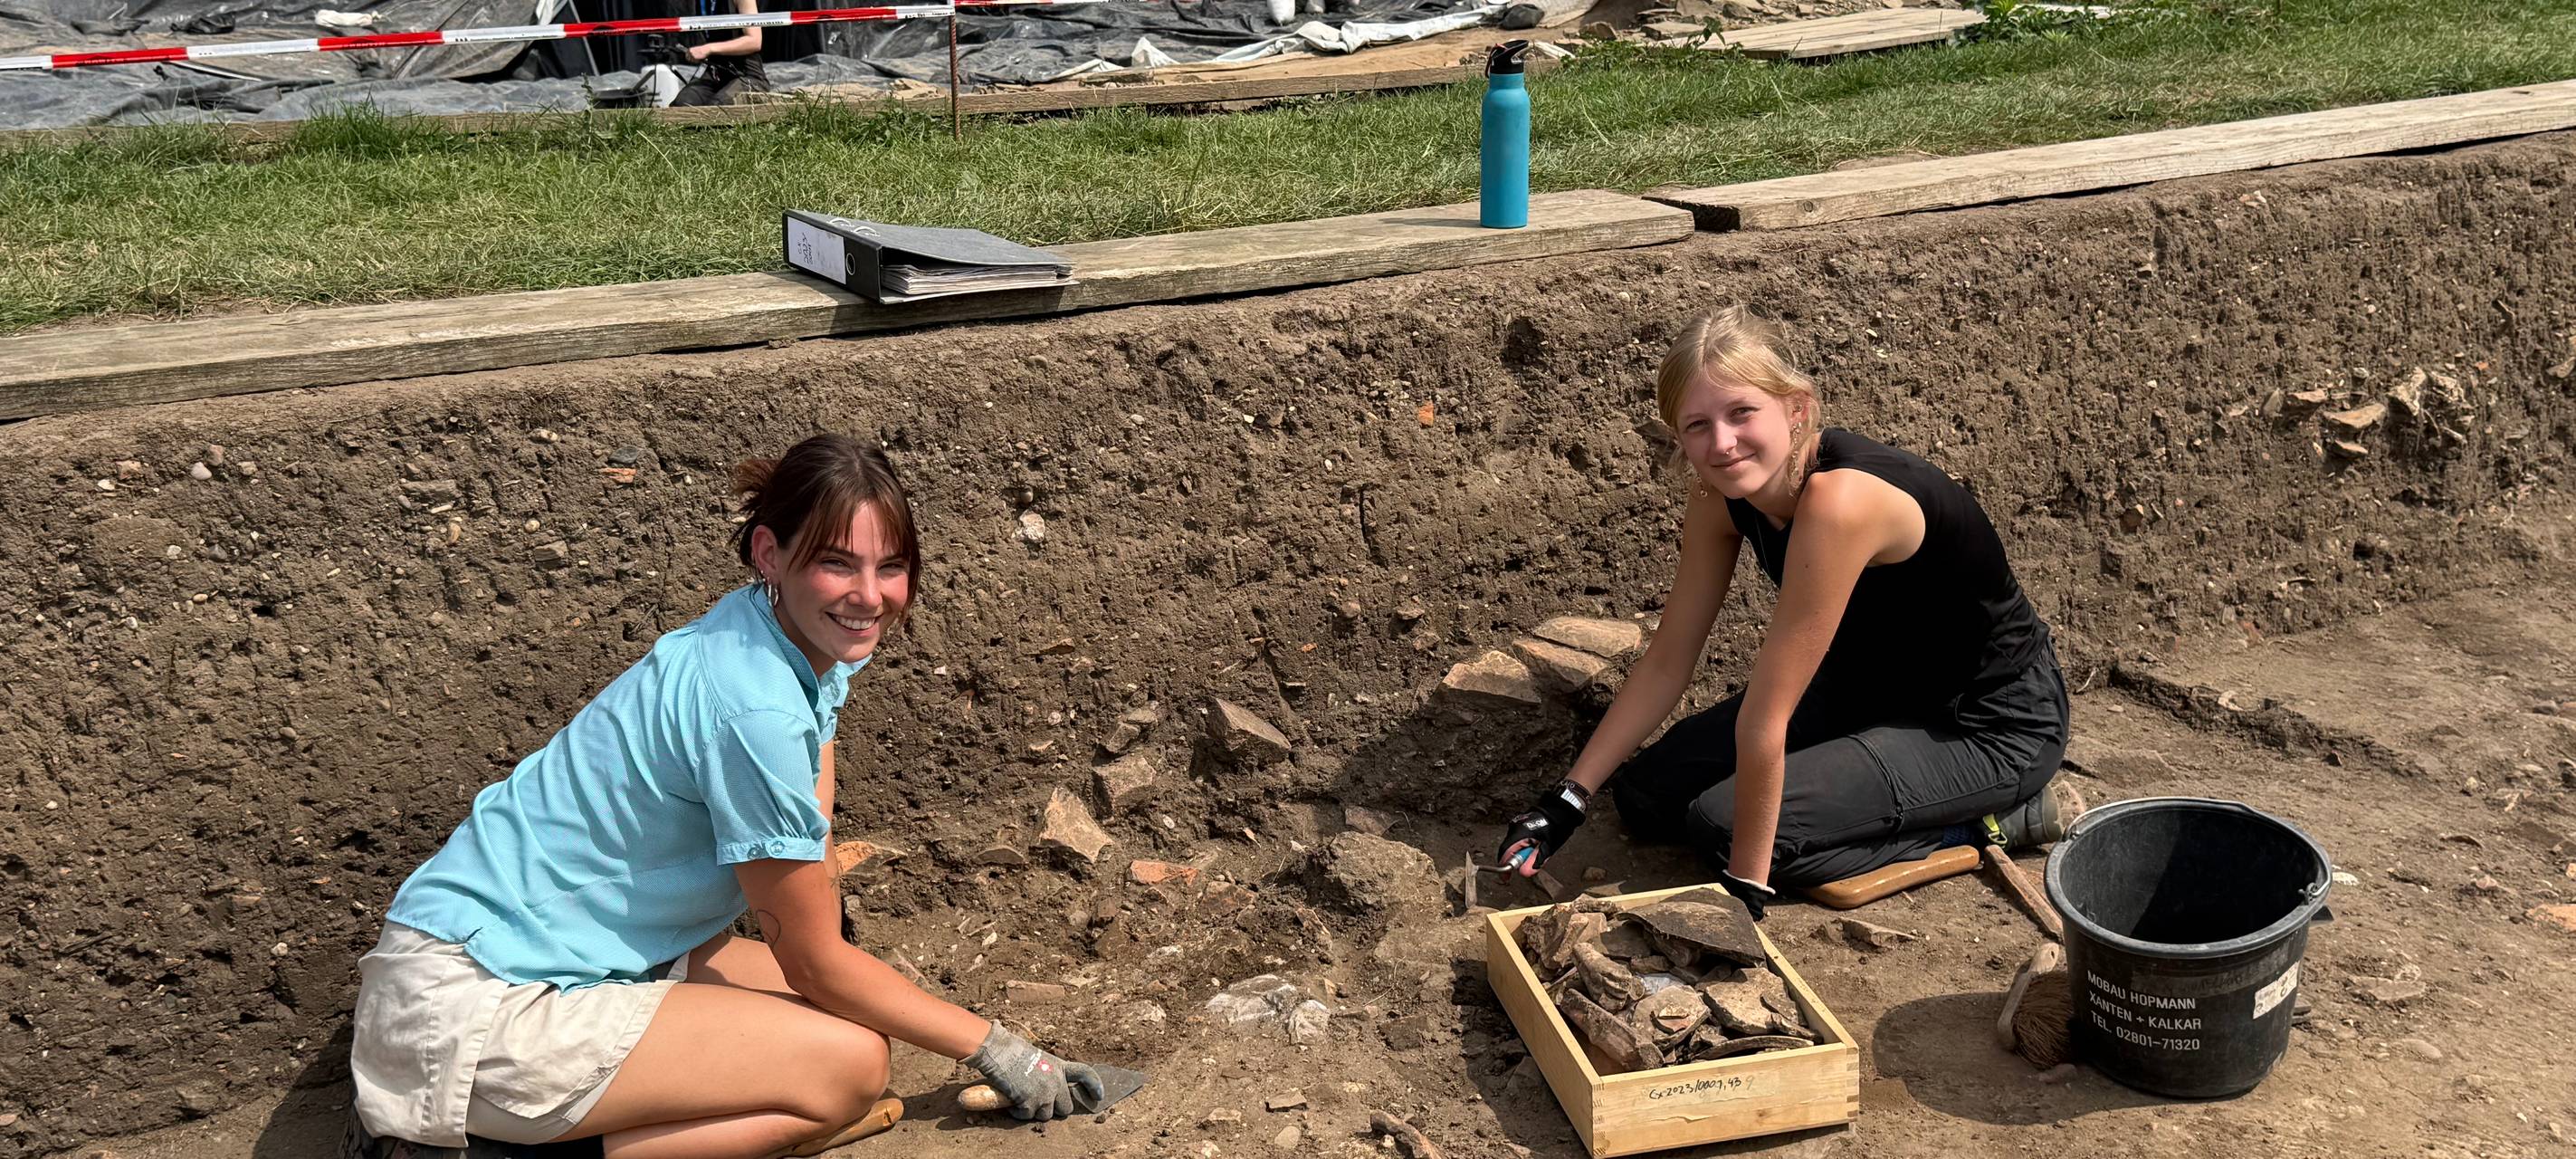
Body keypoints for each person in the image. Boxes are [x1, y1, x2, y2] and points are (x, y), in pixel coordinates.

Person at [350, 435, 1102, 1159]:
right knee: (849, 1068)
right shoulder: (754, 709)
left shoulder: (784, 632)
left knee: (838, 1011)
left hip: (553, 951)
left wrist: (828, 954)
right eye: (837, 564)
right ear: (768, 552)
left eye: (891, 566)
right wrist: (1001, 1050)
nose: (870, 597)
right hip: (471, 1010)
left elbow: (813, 844)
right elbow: (813, 960)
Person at [1496, 307, 2078, 917]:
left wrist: (1744, 889)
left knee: (1725, 832)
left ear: (1795, 408)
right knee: (1645, 795)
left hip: (1985, 723)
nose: (1722, 442)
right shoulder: (1720, 497)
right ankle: (1863, 790)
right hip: (1868, 693)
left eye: (1742, 412)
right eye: (1698, 425)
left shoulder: (1841, 501)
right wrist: (1566, 800)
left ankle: (1988, 823)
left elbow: (1766, 716)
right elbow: (1669, 660)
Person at [673, 0, 772, 108]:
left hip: (747, 74)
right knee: (682, 103)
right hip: (715, 72)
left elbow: (754, 41)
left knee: (719, 107)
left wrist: (709, 49)